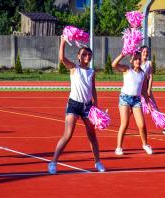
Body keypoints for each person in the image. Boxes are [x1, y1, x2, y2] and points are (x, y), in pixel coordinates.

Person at [48, 36, 105, 174]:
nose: (87, 56)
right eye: (84, 54)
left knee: (92, 135)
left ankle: (97, 162)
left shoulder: (91, 72)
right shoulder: (74, 68)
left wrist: (96, 106)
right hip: (73, 105)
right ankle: (53, 162)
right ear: (78, 56)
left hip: (87, 107)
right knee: (68, 134)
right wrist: (62, 42)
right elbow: (62, 58)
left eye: (89, 55)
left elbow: (93, 89)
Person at [112, 51, 153, 156]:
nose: (137, 61)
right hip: (125, 99)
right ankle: (119, 147)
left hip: (136, 100)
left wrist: (148, 103)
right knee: (124, 124)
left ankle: (145, 145)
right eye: (135, 59)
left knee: (142, 125)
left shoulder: (143, 73)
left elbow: (143, 91)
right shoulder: (127, 69)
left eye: (139, 59)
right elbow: (114, 65)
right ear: (131, 60)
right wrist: (122, 54)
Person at [140, 45, 165, 137]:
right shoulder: (136, 62)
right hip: (137, 90)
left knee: (154, 108)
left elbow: (151, 77)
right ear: (140, 53)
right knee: (131, 109)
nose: (145, 53)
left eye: (147, 52)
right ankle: (123, 126)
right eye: (144, 51)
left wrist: (148, 90)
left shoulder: (149, 63)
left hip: (145, 89)